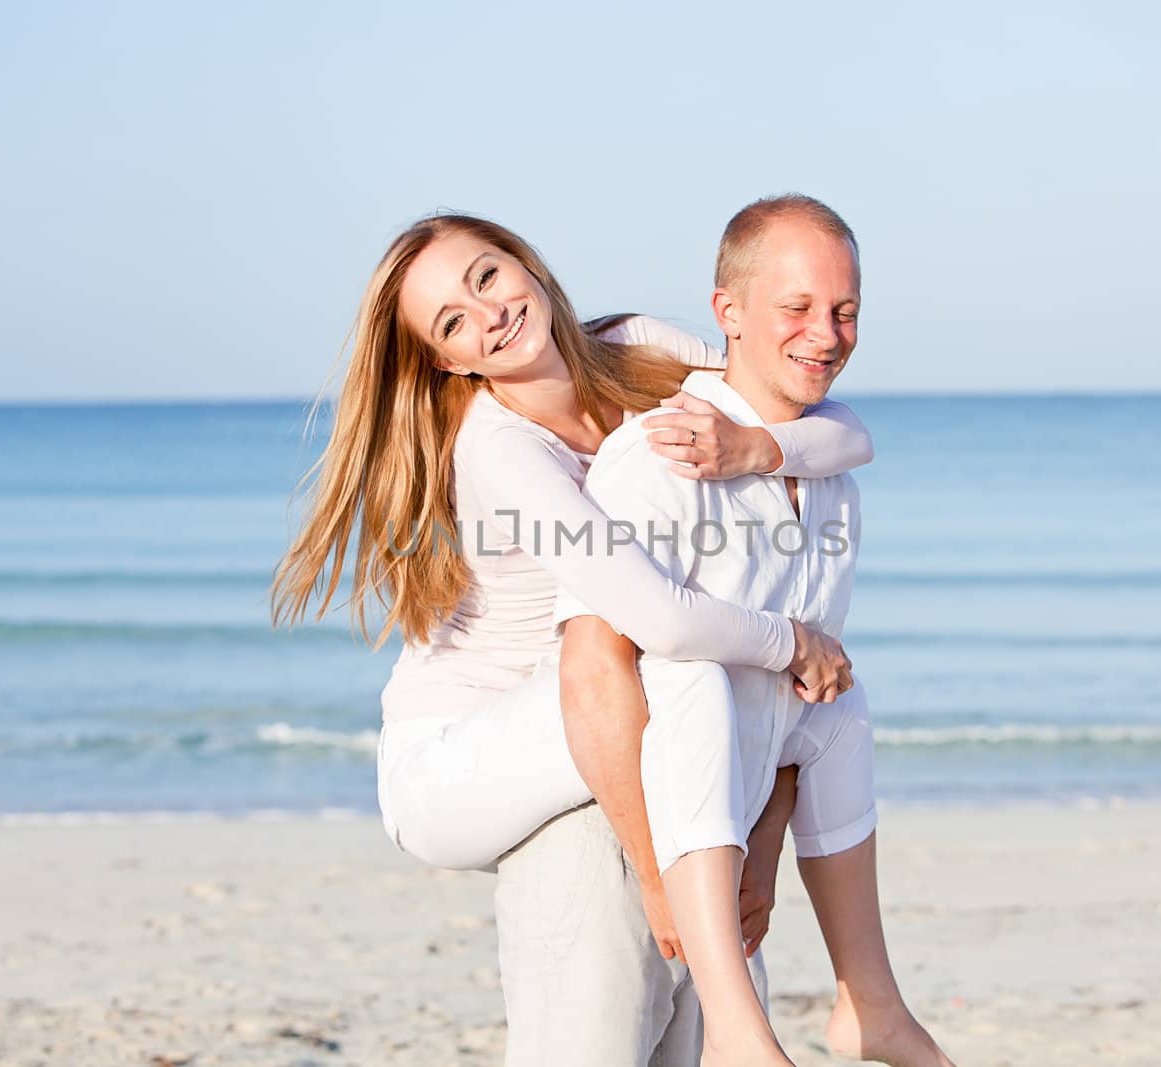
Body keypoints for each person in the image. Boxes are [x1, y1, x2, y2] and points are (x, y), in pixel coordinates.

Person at [269, 213, 873, 1043]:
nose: (488, 314)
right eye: (453, 321)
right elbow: (651, 619)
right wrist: (791, 642)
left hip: (580, 703)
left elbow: (841, 431)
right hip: (455, 758)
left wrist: (756, 448)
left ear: (523, 260)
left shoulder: (635, 346)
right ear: (450, 359)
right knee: (677, 667)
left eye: (486, 276)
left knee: (725, 684)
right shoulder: (498, 452)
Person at [553, 195, 956, 1066]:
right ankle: (741, 1037)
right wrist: (656, 874)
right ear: (728, 313)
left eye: (846, 310)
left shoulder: (827, 474)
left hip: (730, 844)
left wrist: (765, 851)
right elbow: (595, 666)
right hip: (636, 831)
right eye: (799, 307)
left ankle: (870, 1000)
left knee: (840, 705)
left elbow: (793, 701)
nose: (828, 332)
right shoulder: (663, 452)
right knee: (692, 670)